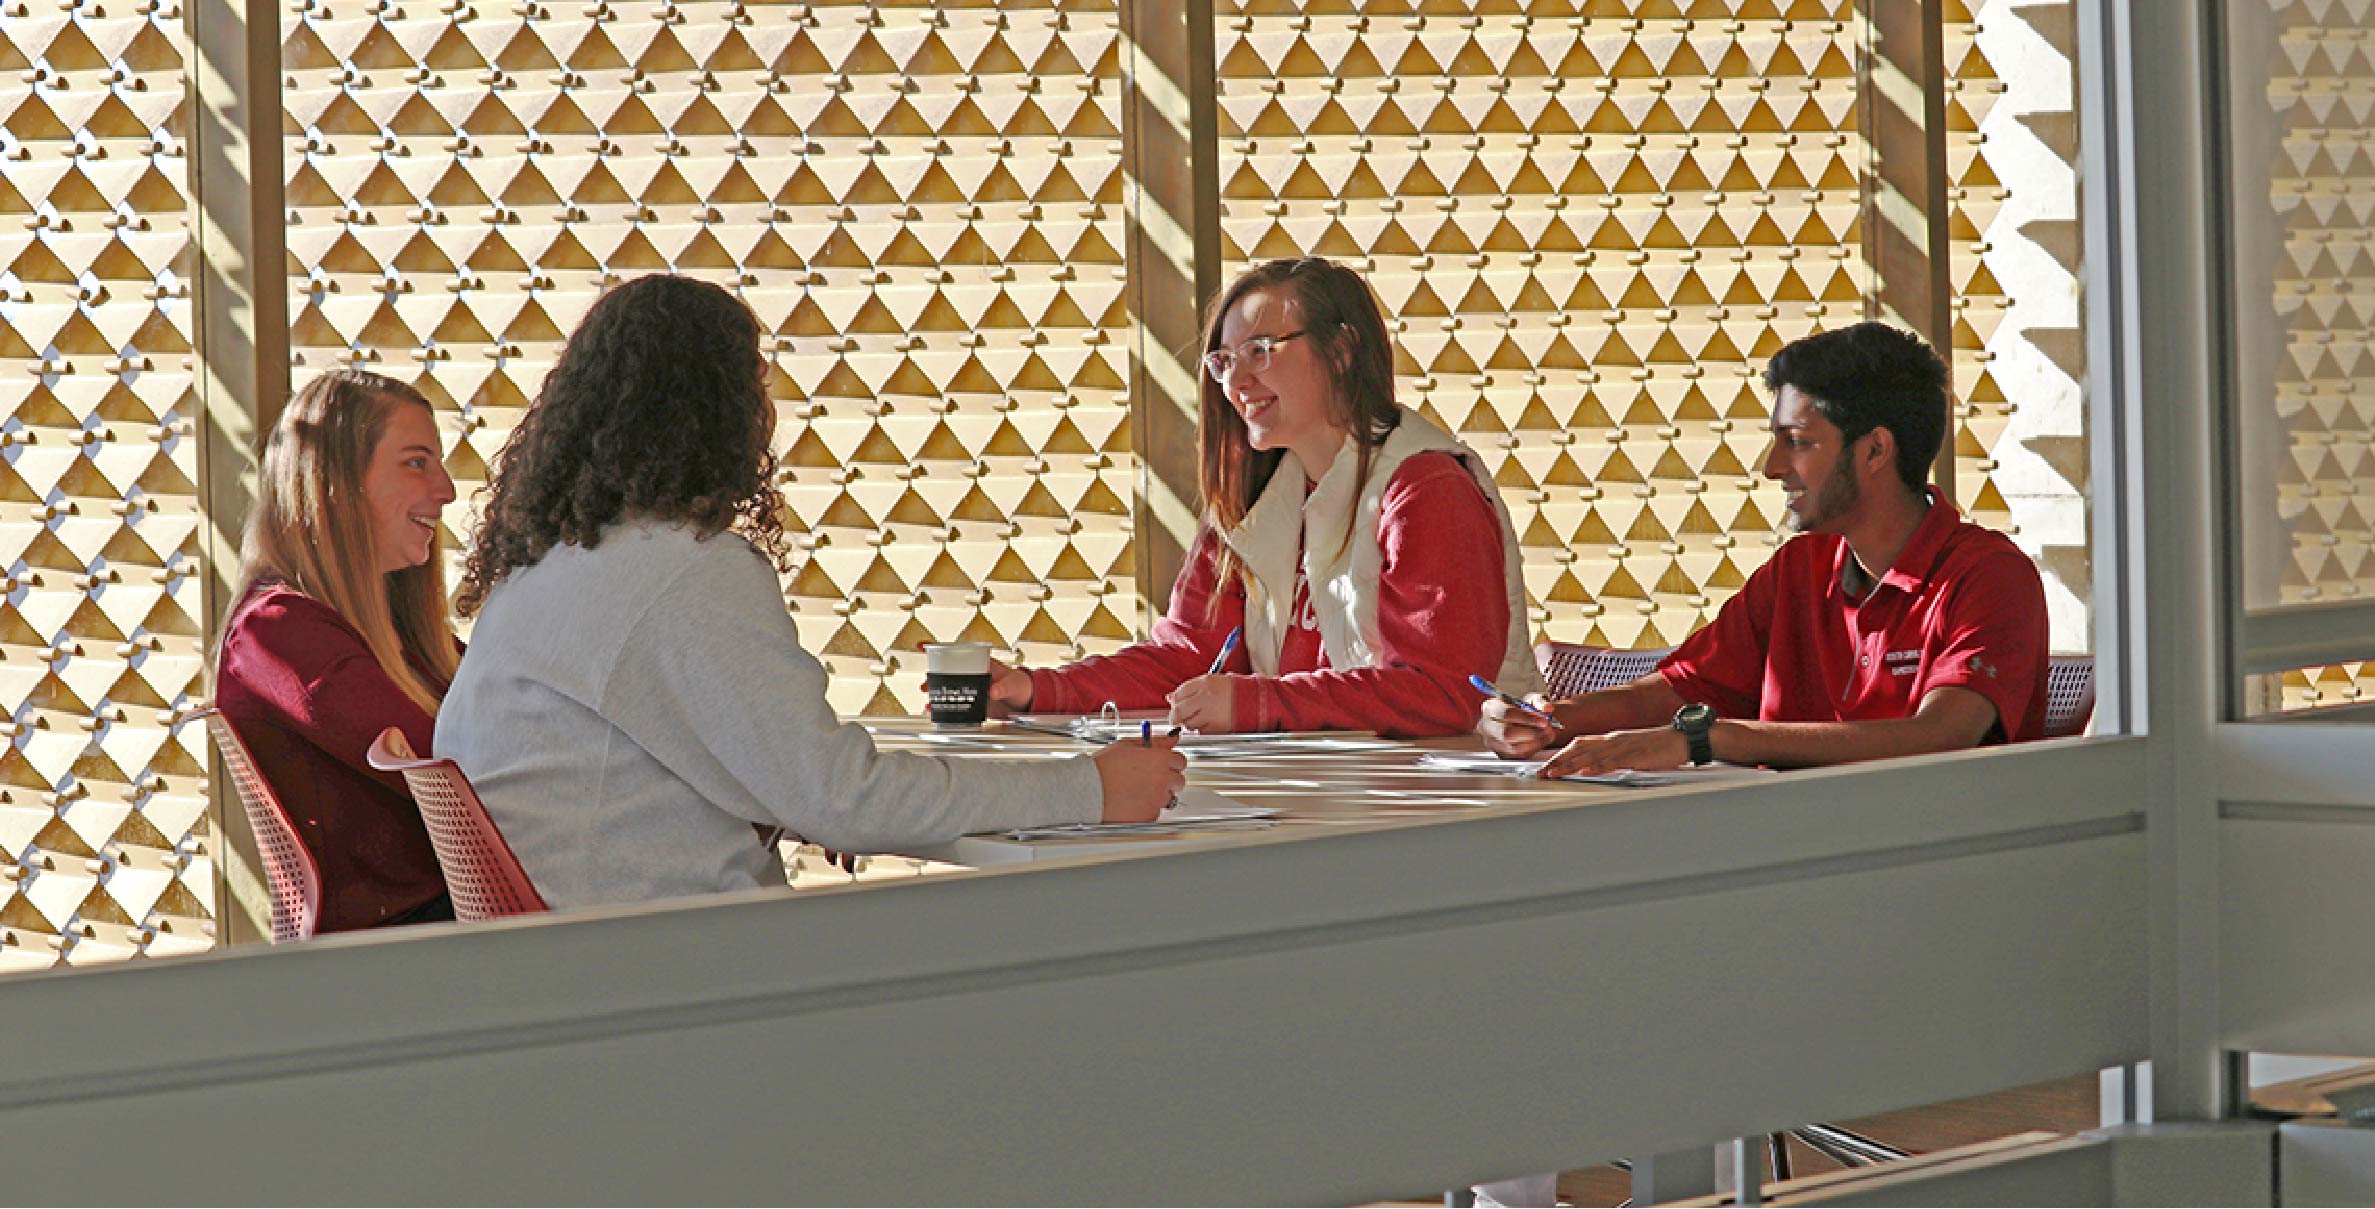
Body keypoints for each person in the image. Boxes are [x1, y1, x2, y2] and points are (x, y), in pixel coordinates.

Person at [435, 274, 1185, 912]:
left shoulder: (544, 571)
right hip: (681, 983)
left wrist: (799, 799)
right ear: (717, 413)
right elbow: (843, 799)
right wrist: (1089, 787)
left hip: (584, 970)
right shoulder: (682, 570)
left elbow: (771, 782)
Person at [985, 256, 1540, 738]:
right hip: (1315, 801)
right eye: (1224, 361)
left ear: (1343, 350)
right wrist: (1035, 689)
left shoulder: (1426, 488)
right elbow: (1185, 658)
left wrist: (1258, 702)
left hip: (1450, 816)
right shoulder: (1253, 499)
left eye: (1259, 350)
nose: (1235, 383)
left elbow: (1442, 692)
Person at [1481, 321, 2049, 776]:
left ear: (1875, 451)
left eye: (1797, 444)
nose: (1772, 468)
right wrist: (1554, 719)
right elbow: (1685, 684)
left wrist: (1708, 739)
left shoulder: (1990, 576)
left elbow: (1939, 737)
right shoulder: (1799, 568)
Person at [210, 370, 462, 931]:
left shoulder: (392, 631)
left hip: (444, 939)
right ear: (336, 483)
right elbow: (464, 769)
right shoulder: (277, 633)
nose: (446, 490)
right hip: (384, 965)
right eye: (417, 462)